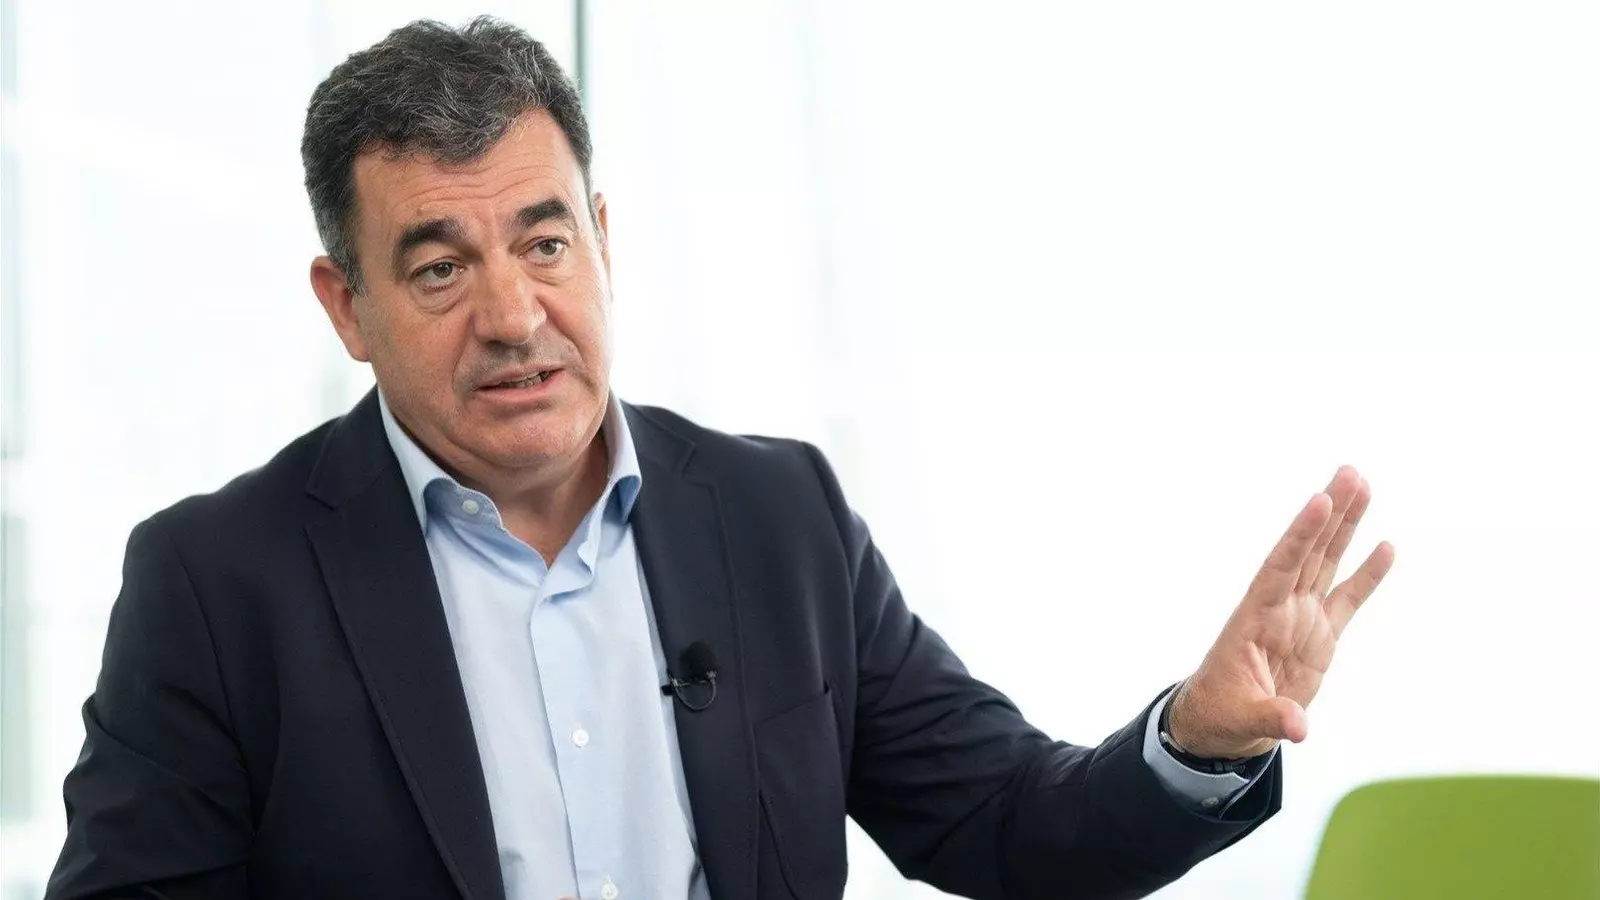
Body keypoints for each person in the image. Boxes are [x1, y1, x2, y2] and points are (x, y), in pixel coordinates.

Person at [45, 17, 1395, 900]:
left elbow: (1009, 822)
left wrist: (1198, 740)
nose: (514, 314)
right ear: (347, 307)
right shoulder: (217, 581)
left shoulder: (777, 516)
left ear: (605, 241)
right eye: (441, 268)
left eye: (546, 242)